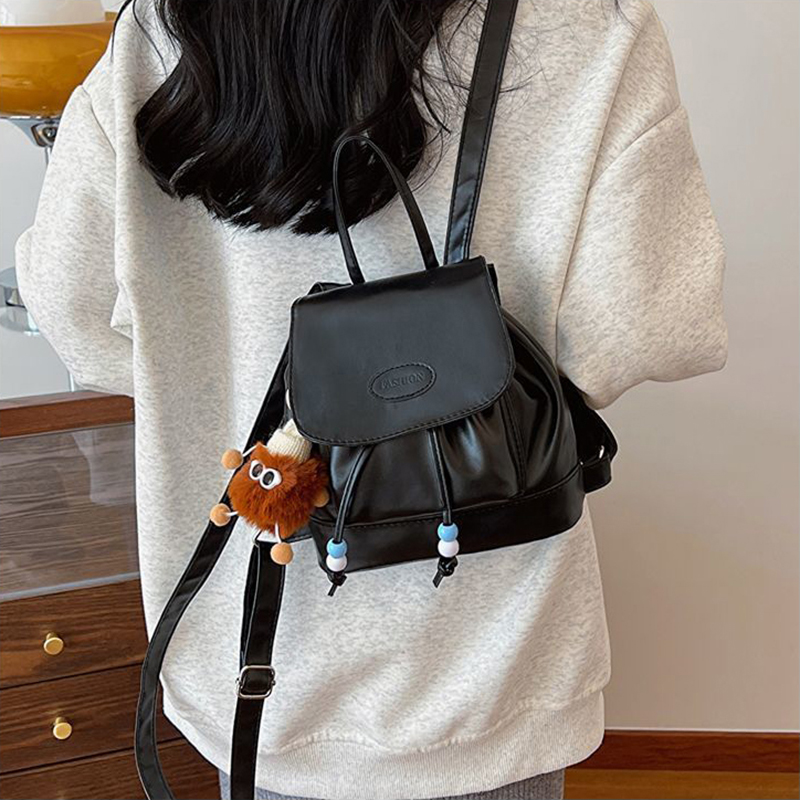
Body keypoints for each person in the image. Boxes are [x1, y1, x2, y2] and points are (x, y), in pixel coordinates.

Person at [15, 0, 727, 798]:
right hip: (488, 670)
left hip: (258, 665)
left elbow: (76, 312)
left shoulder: (157, 34)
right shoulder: (584, 28)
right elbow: (642, 331)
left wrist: (211, 376)